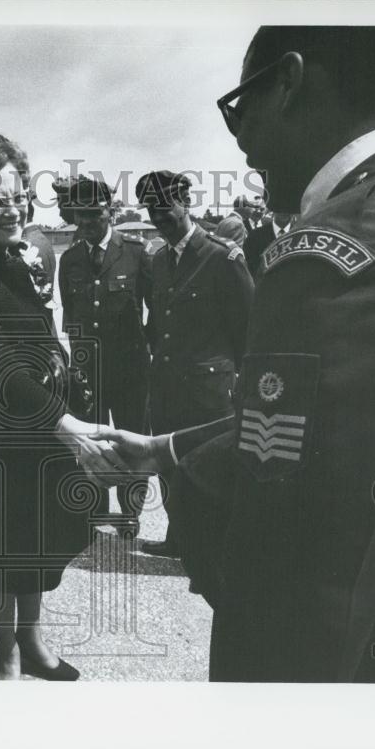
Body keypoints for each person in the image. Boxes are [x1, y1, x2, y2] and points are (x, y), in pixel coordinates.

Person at [98, 26, 375, 684]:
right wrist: (165, 449)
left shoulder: (333, 249)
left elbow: (288, 566)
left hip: (366, 673)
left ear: (287, 83)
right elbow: (347, 427)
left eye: (240, 109)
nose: (243, 140)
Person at [0, 132, 126, 680]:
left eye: (19, 198)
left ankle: (33, 639)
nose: (13, 209)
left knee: (36, 541)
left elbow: (40, 336)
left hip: (37, 429)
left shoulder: (14, 253)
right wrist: (67, 426)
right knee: (0, 546)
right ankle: (7, 649)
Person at [134, 170, 253, 557]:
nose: (159, 216)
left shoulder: (221, 257)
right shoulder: (160, 260)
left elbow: (248, 330)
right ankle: (179, 539)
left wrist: (241, 385)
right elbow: (160, 322)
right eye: (152, 209)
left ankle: (215, 549)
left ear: (186, 203)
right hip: (168, 386)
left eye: (166, 206)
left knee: (208, 471)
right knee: (169, 464)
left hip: (207, 391)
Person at [55, 175, 152, 535]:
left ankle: (130, 510)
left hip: (130, 368)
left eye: (94, 214)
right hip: (88, 370)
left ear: (110, 212)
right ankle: (95, 508)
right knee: (92, 440)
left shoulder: (137, 252)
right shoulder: (71, 261)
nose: (87, 223)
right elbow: (71, 317)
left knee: (131, 439)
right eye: (80, 216)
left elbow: (153, 311)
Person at [242, 210, 294, 281]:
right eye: (280, 207)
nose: (284, 211)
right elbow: (249, 269)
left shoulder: (301, 235)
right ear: (273, 209)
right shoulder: (255, 236)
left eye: (288, 207)